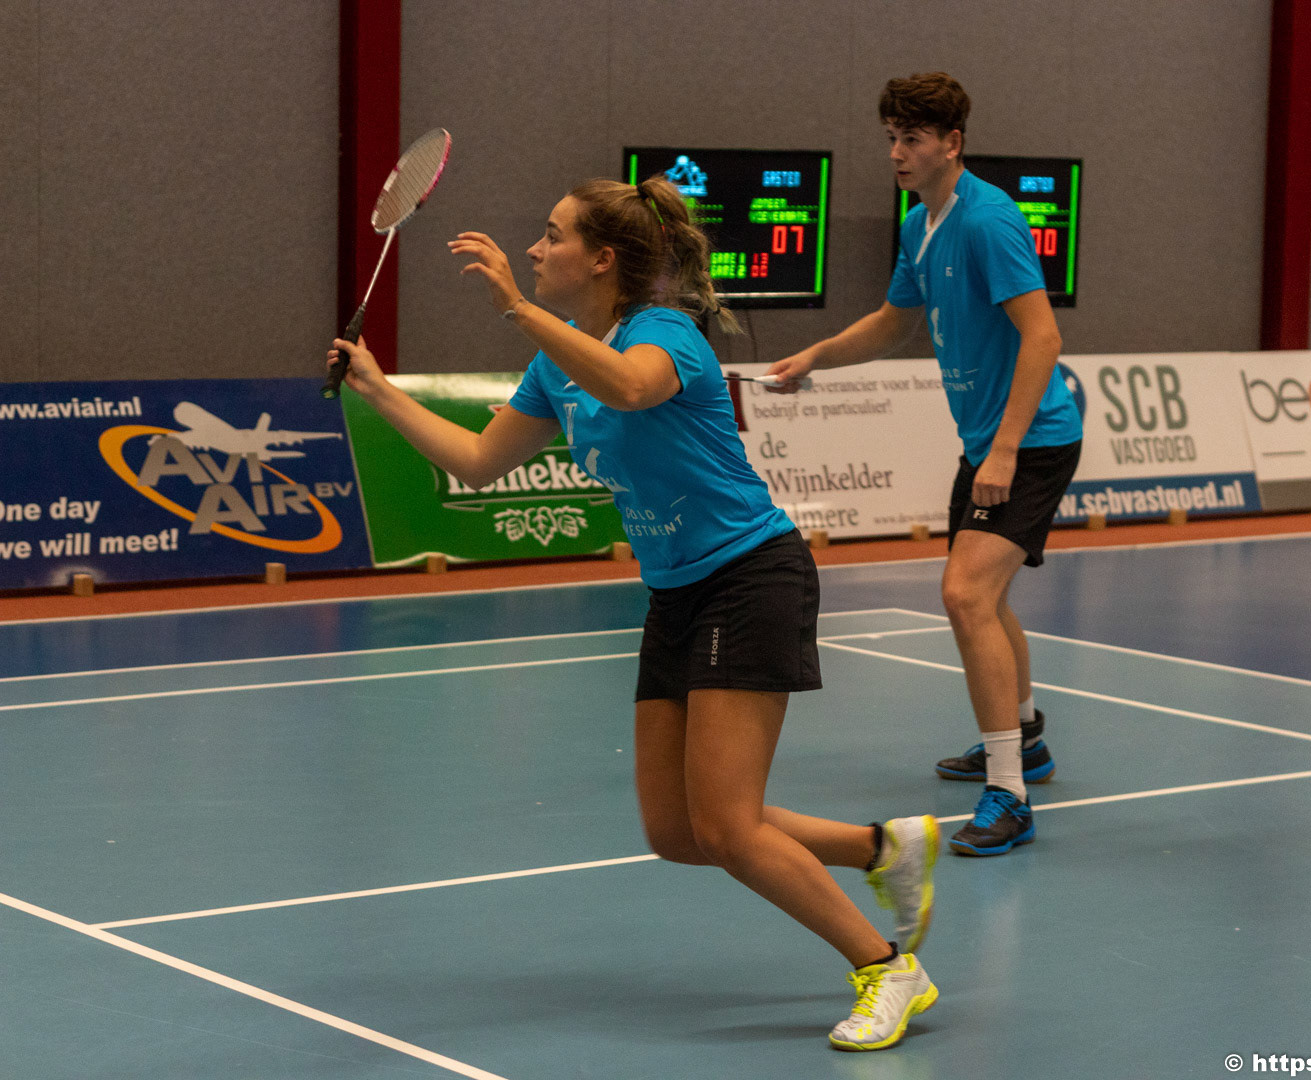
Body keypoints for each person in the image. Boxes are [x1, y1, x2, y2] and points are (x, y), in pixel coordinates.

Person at [327, 174, 939, 1051]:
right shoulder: (557, 363)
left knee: (727, 826)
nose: (534, 249)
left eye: (552, 235)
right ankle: (883, 848)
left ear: (602, 260)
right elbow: (477, 462)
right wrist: (377, 389)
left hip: (750, 576)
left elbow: (628, 388)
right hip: (677, 591)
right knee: (679, 831)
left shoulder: (666, 334)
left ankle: (887, 967)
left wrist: (514, 306)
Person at [767, 72, 1083, 857]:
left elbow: (1043, 336)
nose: (896, 153)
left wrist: (1004, 449)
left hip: (1031, 441)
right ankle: (1026, 740)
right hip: (987, 442)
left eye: (911, 138)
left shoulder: (989, 221)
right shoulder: (920, 224)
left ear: (952, 143)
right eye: (891, 138)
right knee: (986, 597)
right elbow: (890, 324)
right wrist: (815, 356)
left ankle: (1009, 795)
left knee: (964, 593)